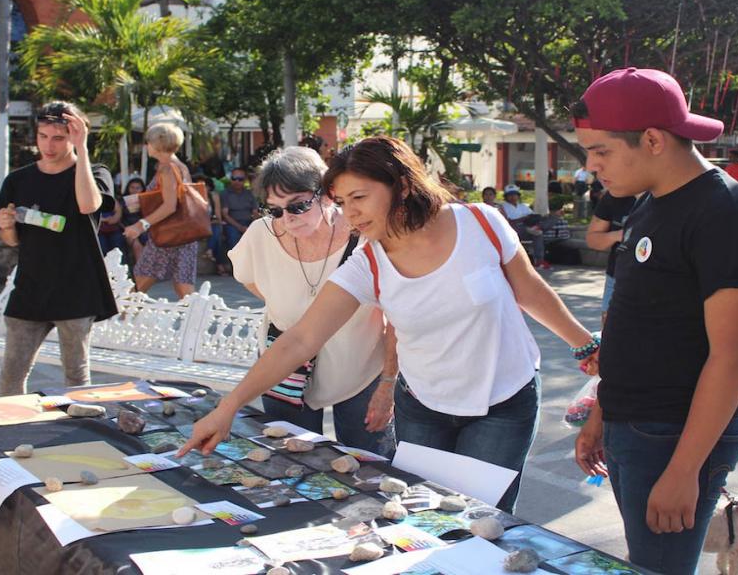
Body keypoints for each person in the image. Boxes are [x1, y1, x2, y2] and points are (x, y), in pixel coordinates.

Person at [179, 136, 600, 513]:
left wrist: (585, 346)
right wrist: (228, 407)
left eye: (359, 197)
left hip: (504, 402)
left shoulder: (481, 222)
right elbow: (301, 339)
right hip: (423, 408)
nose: (351, 214)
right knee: (426, 518)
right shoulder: (367, 261)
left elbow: (529, 290)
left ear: (400, 184)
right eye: (341, 203)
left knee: (480, 520)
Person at [571, 67, 738, 575]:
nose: (591, 166)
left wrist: (685, 470)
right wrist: (601, 413)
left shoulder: (725, 212)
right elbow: (631, 319)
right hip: (630, 422)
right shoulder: (647, 204)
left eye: (600, 151)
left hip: (675, 434)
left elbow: (733, 354)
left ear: (654, 139)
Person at [227, 146, 396, 456]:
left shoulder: (365, 236)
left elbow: (396, 318)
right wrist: (288, 306)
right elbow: (249, 278)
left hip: (360, 371)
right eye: (275, 209)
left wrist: (387, 384)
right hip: (286, 368)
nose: (287, 219)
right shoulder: (260, 235)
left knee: (370, 466)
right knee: (288, 462)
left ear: (327, 194)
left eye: (298, 205)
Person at [0, 101, 118, 395]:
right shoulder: (17, 180)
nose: (49, 145)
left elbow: (88, 205)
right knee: (11, 378)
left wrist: (82, 150)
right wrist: (7, 225)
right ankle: (9, 434)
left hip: (76, 288)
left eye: (59, 138)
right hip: (30, 287)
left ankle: (80, 436)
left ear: (74, 137)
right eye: (43, 136)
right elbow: (12, 242)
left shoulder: (95, 172)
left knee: (76, 379)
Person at [124, 123, 198, 299]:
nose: (146, 146)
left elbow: (170, 205)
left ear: (158, 144)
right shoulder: (179, 166)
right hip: (183, 234)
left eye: (148, 142)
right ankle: (197, 322)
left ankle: (118, 320)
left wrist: (141, 225)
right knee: (183, 284)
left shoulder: (167, 168)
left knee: (140, 282)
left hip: (167, 234)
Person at [586, 190, 638, 325]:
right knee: (610, 333)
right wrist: (619, 235)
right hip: (616, 277)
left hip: (659, 281)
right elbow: (593, 240)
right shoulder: (614, 195)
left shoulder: (667, 194)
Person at [501, 184, 550, 269]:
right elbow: (508, 221)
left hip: (527, 228)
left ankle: (539, 261)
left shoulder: (523, 206)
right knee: (530, 230)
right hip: (513, 230)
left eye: (514, 194)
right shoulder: (503, 207)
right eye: (510, 195)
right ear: (506, 196)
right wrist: (523, 218)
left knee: (538, 234)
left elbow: (532, 216)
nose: (513, 197)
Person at [221, 167, 260, 251]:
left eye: (240, 179)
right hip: (232, 223)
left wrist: (251, 226)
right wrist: (240, 227)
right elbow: (225, 214)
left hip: (249, 222)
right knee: (233, 239)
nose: (237, 181)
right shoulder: (225, 194)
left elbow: (255, 212)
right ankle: (235, 264)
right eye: (234, 179)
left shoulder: (250, 194)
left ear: (244, 180)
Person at [202, 178, 231, 275]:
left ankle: (210, 251)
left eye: (204, 185)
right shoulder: (193, 196)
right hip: (198, 225)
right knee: (217, 233)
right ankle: (219, 266)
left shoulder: (214, 196)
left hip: (212, 224)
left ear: (209, 187)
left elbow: (218, 215)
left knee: (218, 230)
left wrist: (219, 225)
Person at [119, 177, 147, 264]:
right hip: (128, 228)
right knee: (136, 246)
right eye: (132, 187)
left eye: (138, 188)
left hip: (144, 228)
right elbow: (119, 218)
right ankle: (140, 271)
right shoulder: (122, 201)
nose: (135, 190)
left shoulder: (147, 200)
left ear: (142, 189)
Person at [96, 193, 125, 260]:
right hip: (98, 231)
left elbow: (116, 216)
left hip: (113, 229)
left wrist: (106, 220)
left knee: (118, 248)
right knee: (102, 249)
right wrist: (106, 219)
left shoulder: (111, 199)